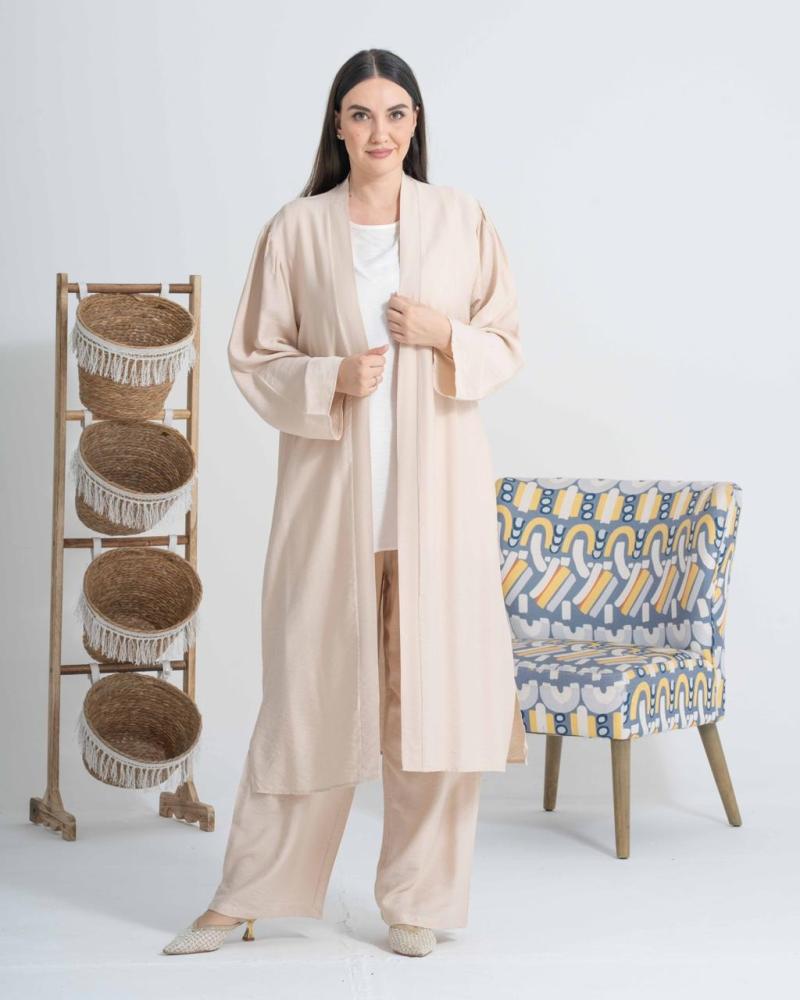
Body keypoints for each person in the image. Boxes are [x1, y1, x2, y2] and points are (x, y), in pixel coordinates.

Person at [163, 47, 527, 959]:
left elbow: (505, 340)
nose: (380, 131)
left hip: (437, 508)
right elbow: (255, 355)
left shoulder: (461, 219)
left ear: (416, 123)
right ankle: (247, 894)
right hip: (332, 507)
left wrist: (444, 334)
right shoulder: (297, 228)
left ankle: (418, 902)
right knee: (308, 696)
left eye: (396, 113)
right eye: (362, 113)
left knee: (433, 706)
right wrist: (332, 376)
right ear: (337, 124)